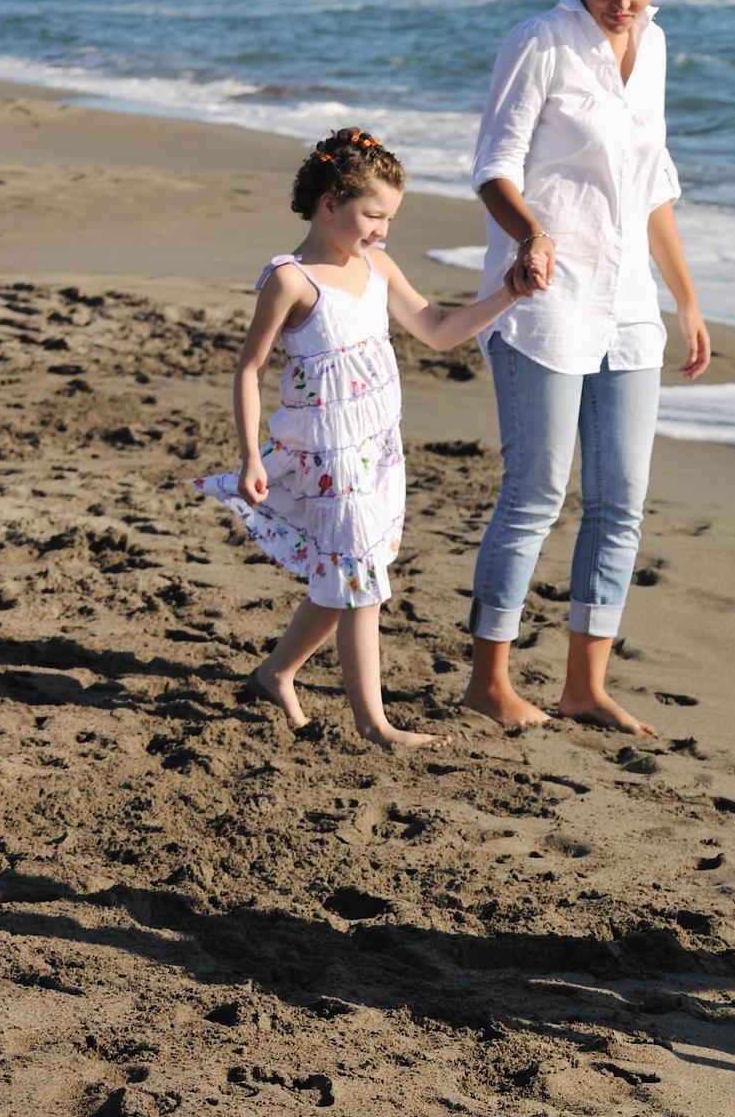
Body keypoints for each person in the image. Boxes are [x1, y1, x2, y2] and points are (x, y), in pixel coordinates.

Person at [460, 0, 712, 737]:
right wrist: (530, 234)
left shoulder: (657, 46)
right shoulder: (538, 46)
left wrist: (685, 296)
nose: (624, 1)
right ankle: (488, 680)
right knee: (535, 492)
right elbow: (493, 166)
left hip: (628, 304)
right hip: (546, 301)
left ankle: (583, 684)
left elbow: (654, 186)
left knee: (622, 500)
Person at [198, 128, 521, 749]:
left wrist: (507, 294)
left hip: (378, 451)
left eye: (390, 217)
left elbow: (435, 329)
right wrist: (247, 456)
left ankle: (276, 673)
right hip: (327, 455)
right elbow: (248, 368)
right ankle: (374, 725)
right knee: (360, 581)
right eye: (374, 215)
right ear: (329, 205)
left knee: (349, 573)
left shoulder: (378, 267)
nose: (383, 230)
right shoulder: (291, 281)